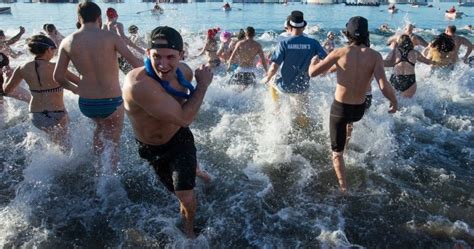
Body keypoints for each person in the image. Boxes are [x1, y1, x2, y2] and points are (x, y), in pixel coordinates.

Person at [123, 26, 213, 238]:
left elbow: (183, 117)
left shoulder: (186, 72)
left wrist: (198, 87)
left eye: (171, 57)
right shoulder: (139, 84)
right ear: (147, 54)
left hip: (179, 140)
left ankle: (189, 233)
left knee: (185, 196)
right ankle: (197, 172)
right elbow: (185, 116)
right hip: (152, 149)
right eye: (156, 56)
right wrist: (203, 87)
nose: (163, 65)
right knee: (177, 190)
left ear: (182, 54)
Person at [308, 16, 397, 192]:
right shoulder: (375, 56)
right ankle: (346, 143)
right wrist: (394, 101)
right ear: (366, 34)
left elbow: (313, 73)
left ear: (348, 34)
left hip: (340, 109)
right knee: (349, 124)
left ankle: (343, 188)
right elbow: (383, 85)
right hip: (359, 109)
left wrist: (313, 62)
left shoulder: (339, 53)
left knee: (336, 153)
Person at [53, 2, 143, 168]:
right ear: (99, 17)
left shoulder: (67, 41)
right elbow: (136, 63)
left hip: (86, 103)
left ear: (79, 18)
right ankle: (109, 182)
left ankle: (97, 167)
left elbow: (58, 76)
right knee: (113, 142)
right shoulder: (110, 37)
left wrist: (75, 88)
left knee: (100, 128)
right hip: (111, 101)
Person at [4, 35, 79, 147]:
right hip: (57, 114)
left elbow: (7, 90)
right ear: (48, 49)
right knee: (66, 147)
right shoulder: (55, 67)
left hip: (36, 116)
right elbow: (81, 83)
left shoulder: (22, 68)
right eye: (54, 49)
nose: (54, 52)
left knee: (54, 143)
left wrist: (6, 78)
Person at [262, 11, 327, 128]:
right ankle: (304, 128)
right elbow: (326, 60)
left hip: (284, 87)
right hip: (302, 87)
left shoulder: (283, 43)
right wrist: (316, 65)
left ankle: (276, 109)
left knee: (271, 82)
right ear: (304, 27)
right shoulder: (313, 43)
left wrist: (267, 77)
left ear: (289, 27)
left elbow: (274, 67)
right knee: (303, 111)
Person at [102, 7, 145, 74]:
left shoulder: (103, 27)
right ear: (116, 15)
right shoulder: (118, 24)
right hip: (120, 56)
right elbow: (123, 38)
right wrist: (137, 48)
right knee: (133, 73)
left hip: (109, 57)